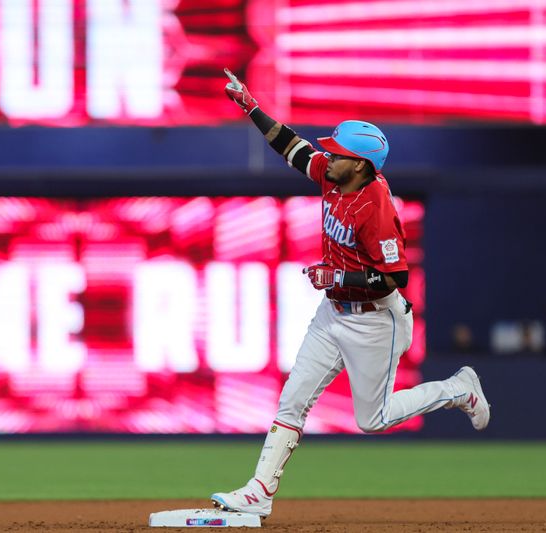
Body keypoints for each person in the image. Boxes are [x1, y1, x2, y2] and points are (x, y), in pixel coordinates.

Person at [210, 69, 491, 518]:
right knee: (292, 399)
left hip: (376, 318)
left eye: (337, 152)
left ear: (360, 164)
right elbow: (292, 146)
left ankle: (459, 389)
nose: (327, 154)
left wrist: (337, 279)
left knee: (372, 420)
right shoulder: (333, 175)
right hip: (334, 312)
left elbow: (394, 278)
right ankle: (259, 490)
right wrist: (251, 105)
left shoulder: (377, 208)